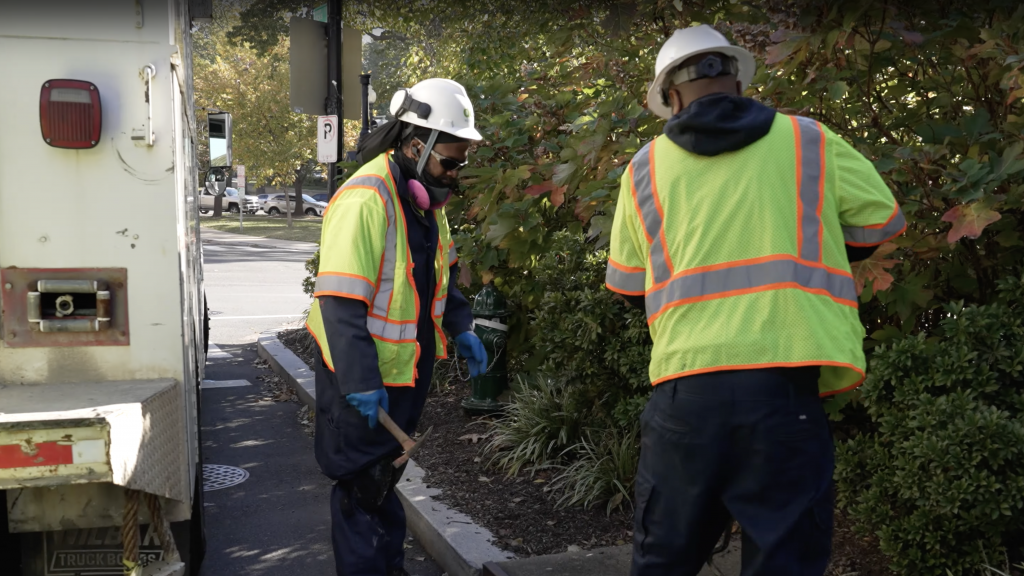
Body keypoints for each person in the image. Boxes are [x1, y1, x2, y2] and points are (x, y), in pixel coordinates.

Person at [605, 25, 906, 576]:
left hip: (686, 398)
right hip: (784, 397)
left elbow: (628, 286)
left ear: (670, 96)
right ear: (737, 79)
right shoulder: (809, 140)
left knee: (663, 563)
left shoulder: (644, 168)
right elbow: (879, 224)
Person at [306, 78, 490, 576]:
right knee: (362, 494)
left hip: (400, 383)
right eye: (448, 162)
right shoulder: (367, 199)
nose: (454, 174)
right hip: (363, 386)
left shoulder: (424, 204)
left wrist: (462, 325)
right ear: (414, 144)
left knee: (383, 488)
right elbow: (340, 305)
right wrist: (361, 384)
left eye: (460, 164)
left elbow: (439, 281)